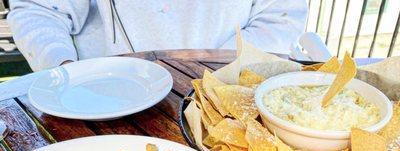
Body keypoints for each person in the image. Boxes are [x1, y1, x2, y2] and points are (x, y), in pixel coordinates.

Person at [8, 0, 308, 71]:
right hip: (100, 106)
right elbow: (40, 10)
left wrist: (218, 79)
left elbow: (278, 18)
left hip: (226, 103)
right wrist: (64, 72)